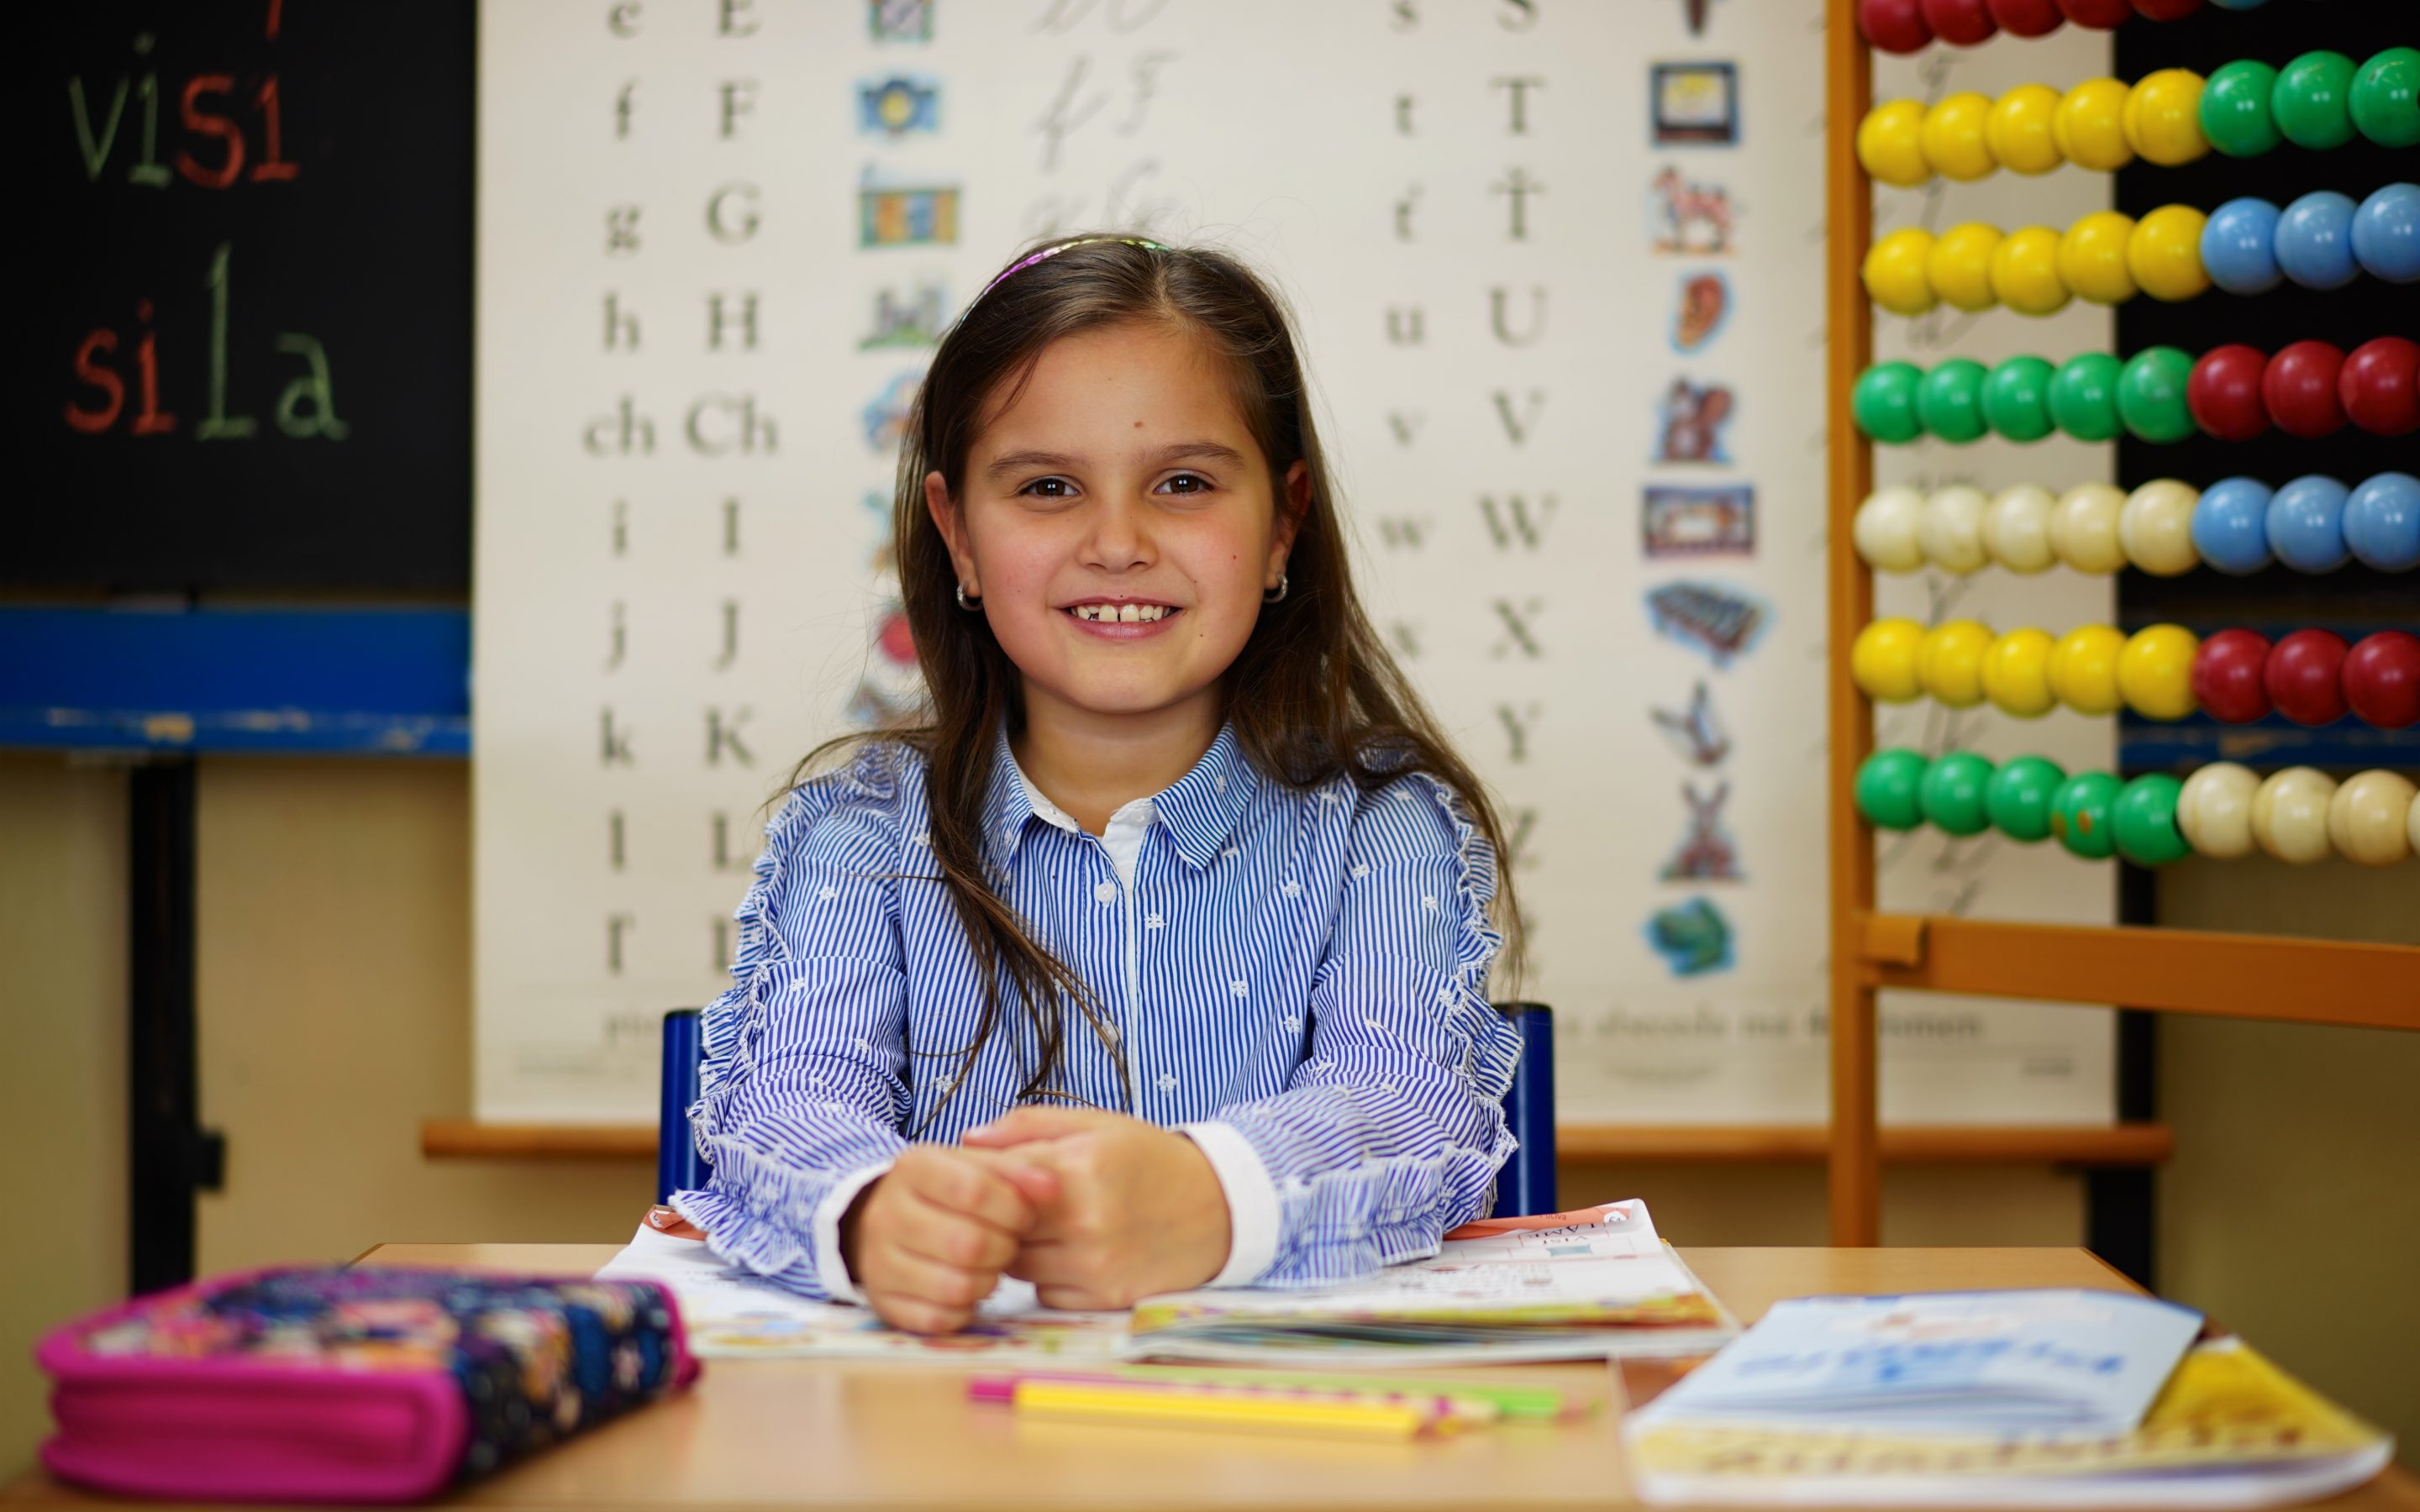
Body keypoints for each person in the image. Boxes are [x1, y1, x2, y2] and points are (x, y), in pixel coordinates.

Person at [671, 233, 1527, 1336]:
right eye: (1047, 487)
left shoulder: (1382, 827)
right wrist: (876, 1212)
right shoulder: (861, 829)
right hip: (947, 1411)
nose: (1117, 543)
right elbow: (790, 1101)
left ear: (1284, 523)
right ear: (957, 536)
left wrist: (1205, 1195)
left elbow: (1408, 1104)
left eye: (1183, 483)